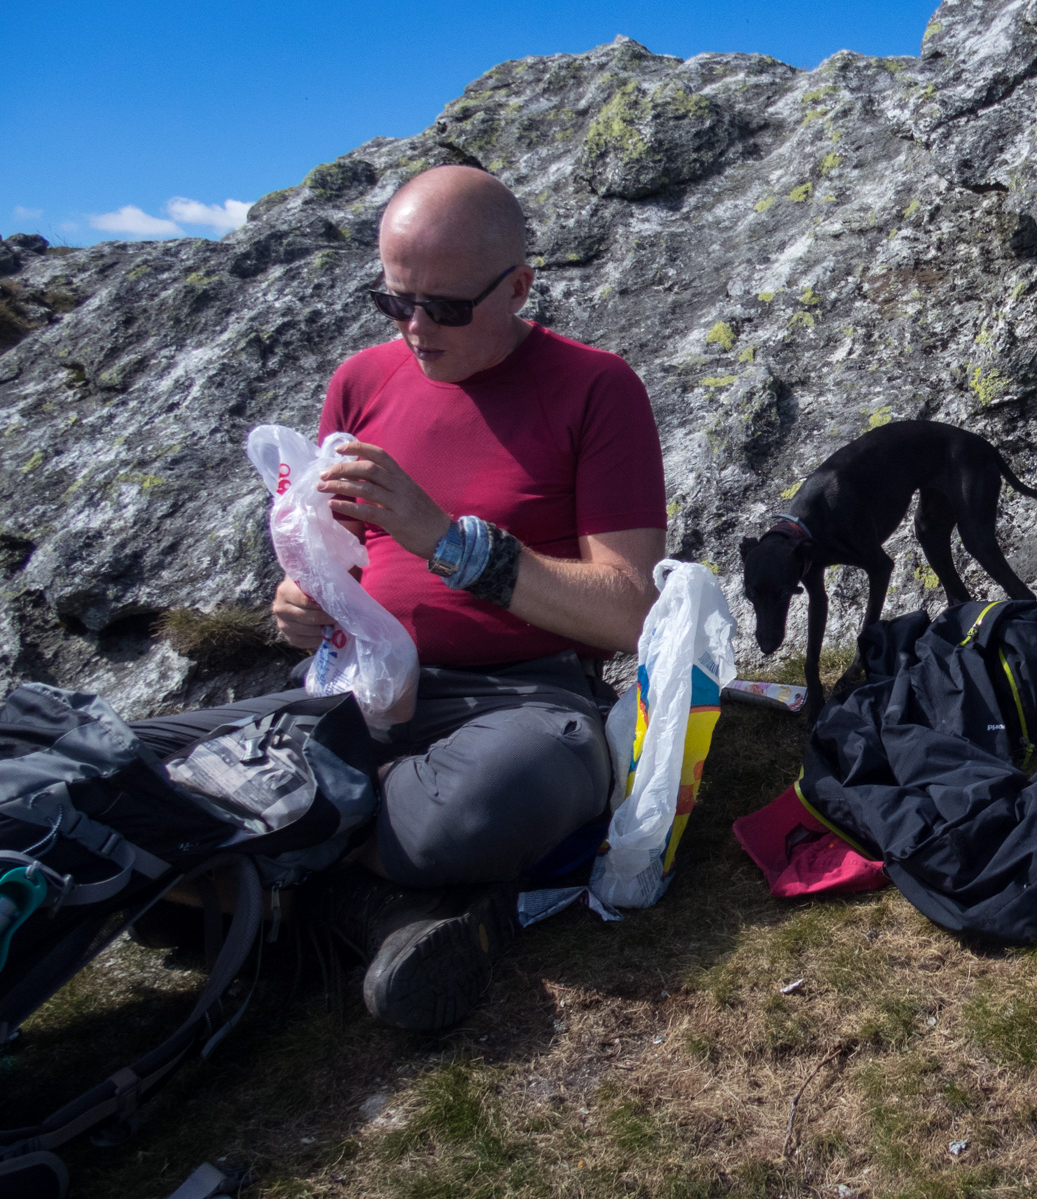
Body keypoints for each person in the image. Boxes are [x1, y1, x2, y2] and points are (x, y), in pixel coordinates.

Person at [134, 165, 668, 1030]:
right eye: (394, 302)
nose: (416, 329)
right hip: (359, 693)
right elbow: (333, 556)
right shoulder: (361, 382)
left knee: (507, 792)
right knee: (115, 762)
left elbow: (628, 610)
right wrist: (305, 601)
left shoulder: (595, 388)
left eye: (446, 308)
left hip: (519, 700)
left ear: (520, 287)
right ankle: (374, 910)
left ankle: (254, 874)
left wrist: (449, 542)